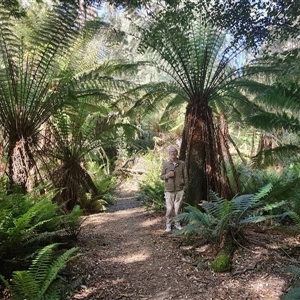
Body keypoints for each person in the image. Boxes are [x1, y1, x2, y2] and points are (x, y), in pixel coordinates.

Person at [160, 146, 188, 232]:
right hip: (169, 190)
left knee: (177, 208)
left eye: (174, 151)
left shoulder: (182, 164)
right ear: (169, 153)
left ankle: (177, 223)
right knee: (169, 209)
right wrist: (167, 175)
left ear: (177, 153)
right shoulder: (166, 164)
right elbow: (161, 176)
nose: (173, 153)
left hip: (179, 189)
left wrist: (185, 188)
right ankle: (168, 225)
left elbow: (186, 176)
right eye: (171, 152)